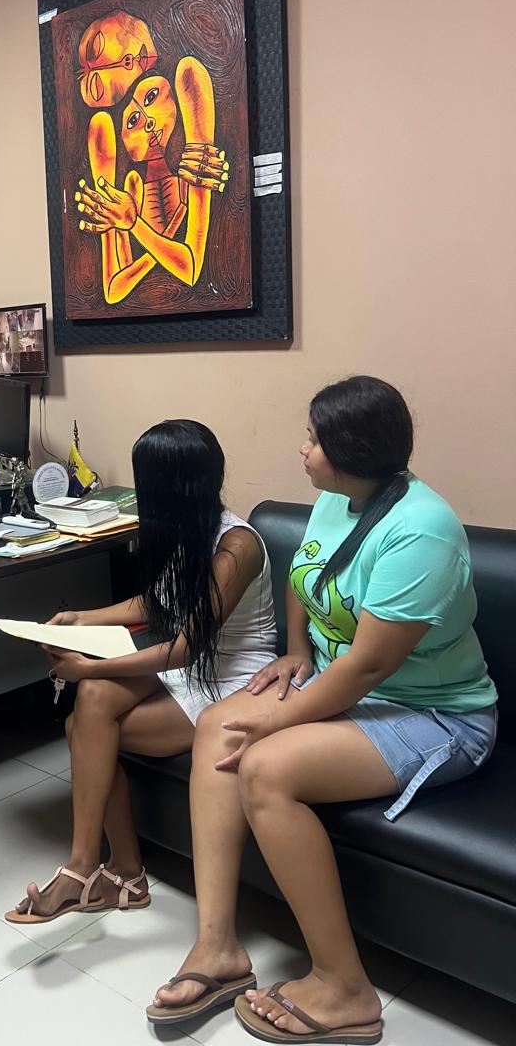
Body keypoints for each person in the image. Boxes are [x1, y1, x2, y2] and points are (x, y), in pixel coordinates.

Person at [148, 377, 497, 1042]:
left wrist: (279, 718)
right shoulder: (339, 499)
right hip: (350, 687)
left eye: (313, 440)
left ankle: (346, 989)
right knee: (219, 724)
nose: (301, 450)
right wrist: (297, 650)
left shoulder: (421, 531)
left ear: (351, 451)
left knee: (265, 766)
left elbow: (369, 667)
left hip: (435, 714)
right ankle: (218, 948)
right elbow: (306, 574)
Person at [4, 419, 276, 924]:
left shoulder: (236, 546)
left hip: (234, 680)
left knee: (84, 725)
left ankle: (105, 871)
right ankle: (102, 868)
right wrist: (84, 617)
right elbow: (157, 603)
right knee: (93, 700)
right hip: (193, 668)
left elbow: (186, 647)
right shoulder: (188, 528)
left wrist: (88, 666)